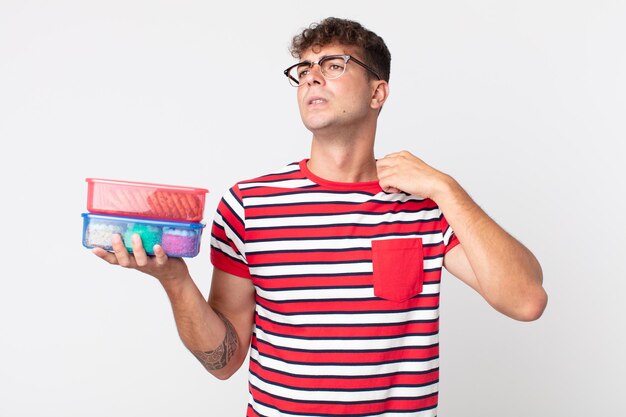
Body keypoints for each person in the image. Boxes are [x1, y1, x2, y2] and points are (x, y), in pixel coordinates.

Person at [93, 17, 548, 417]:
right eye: (304, 70)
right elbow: (225, 362)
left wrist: (445, 187)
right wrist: (174, 280)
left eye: (333, 65)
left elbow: (526, 300)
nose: (312, 78)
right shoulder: (249, 205)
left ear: (378, 92)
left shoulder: (425, 206)